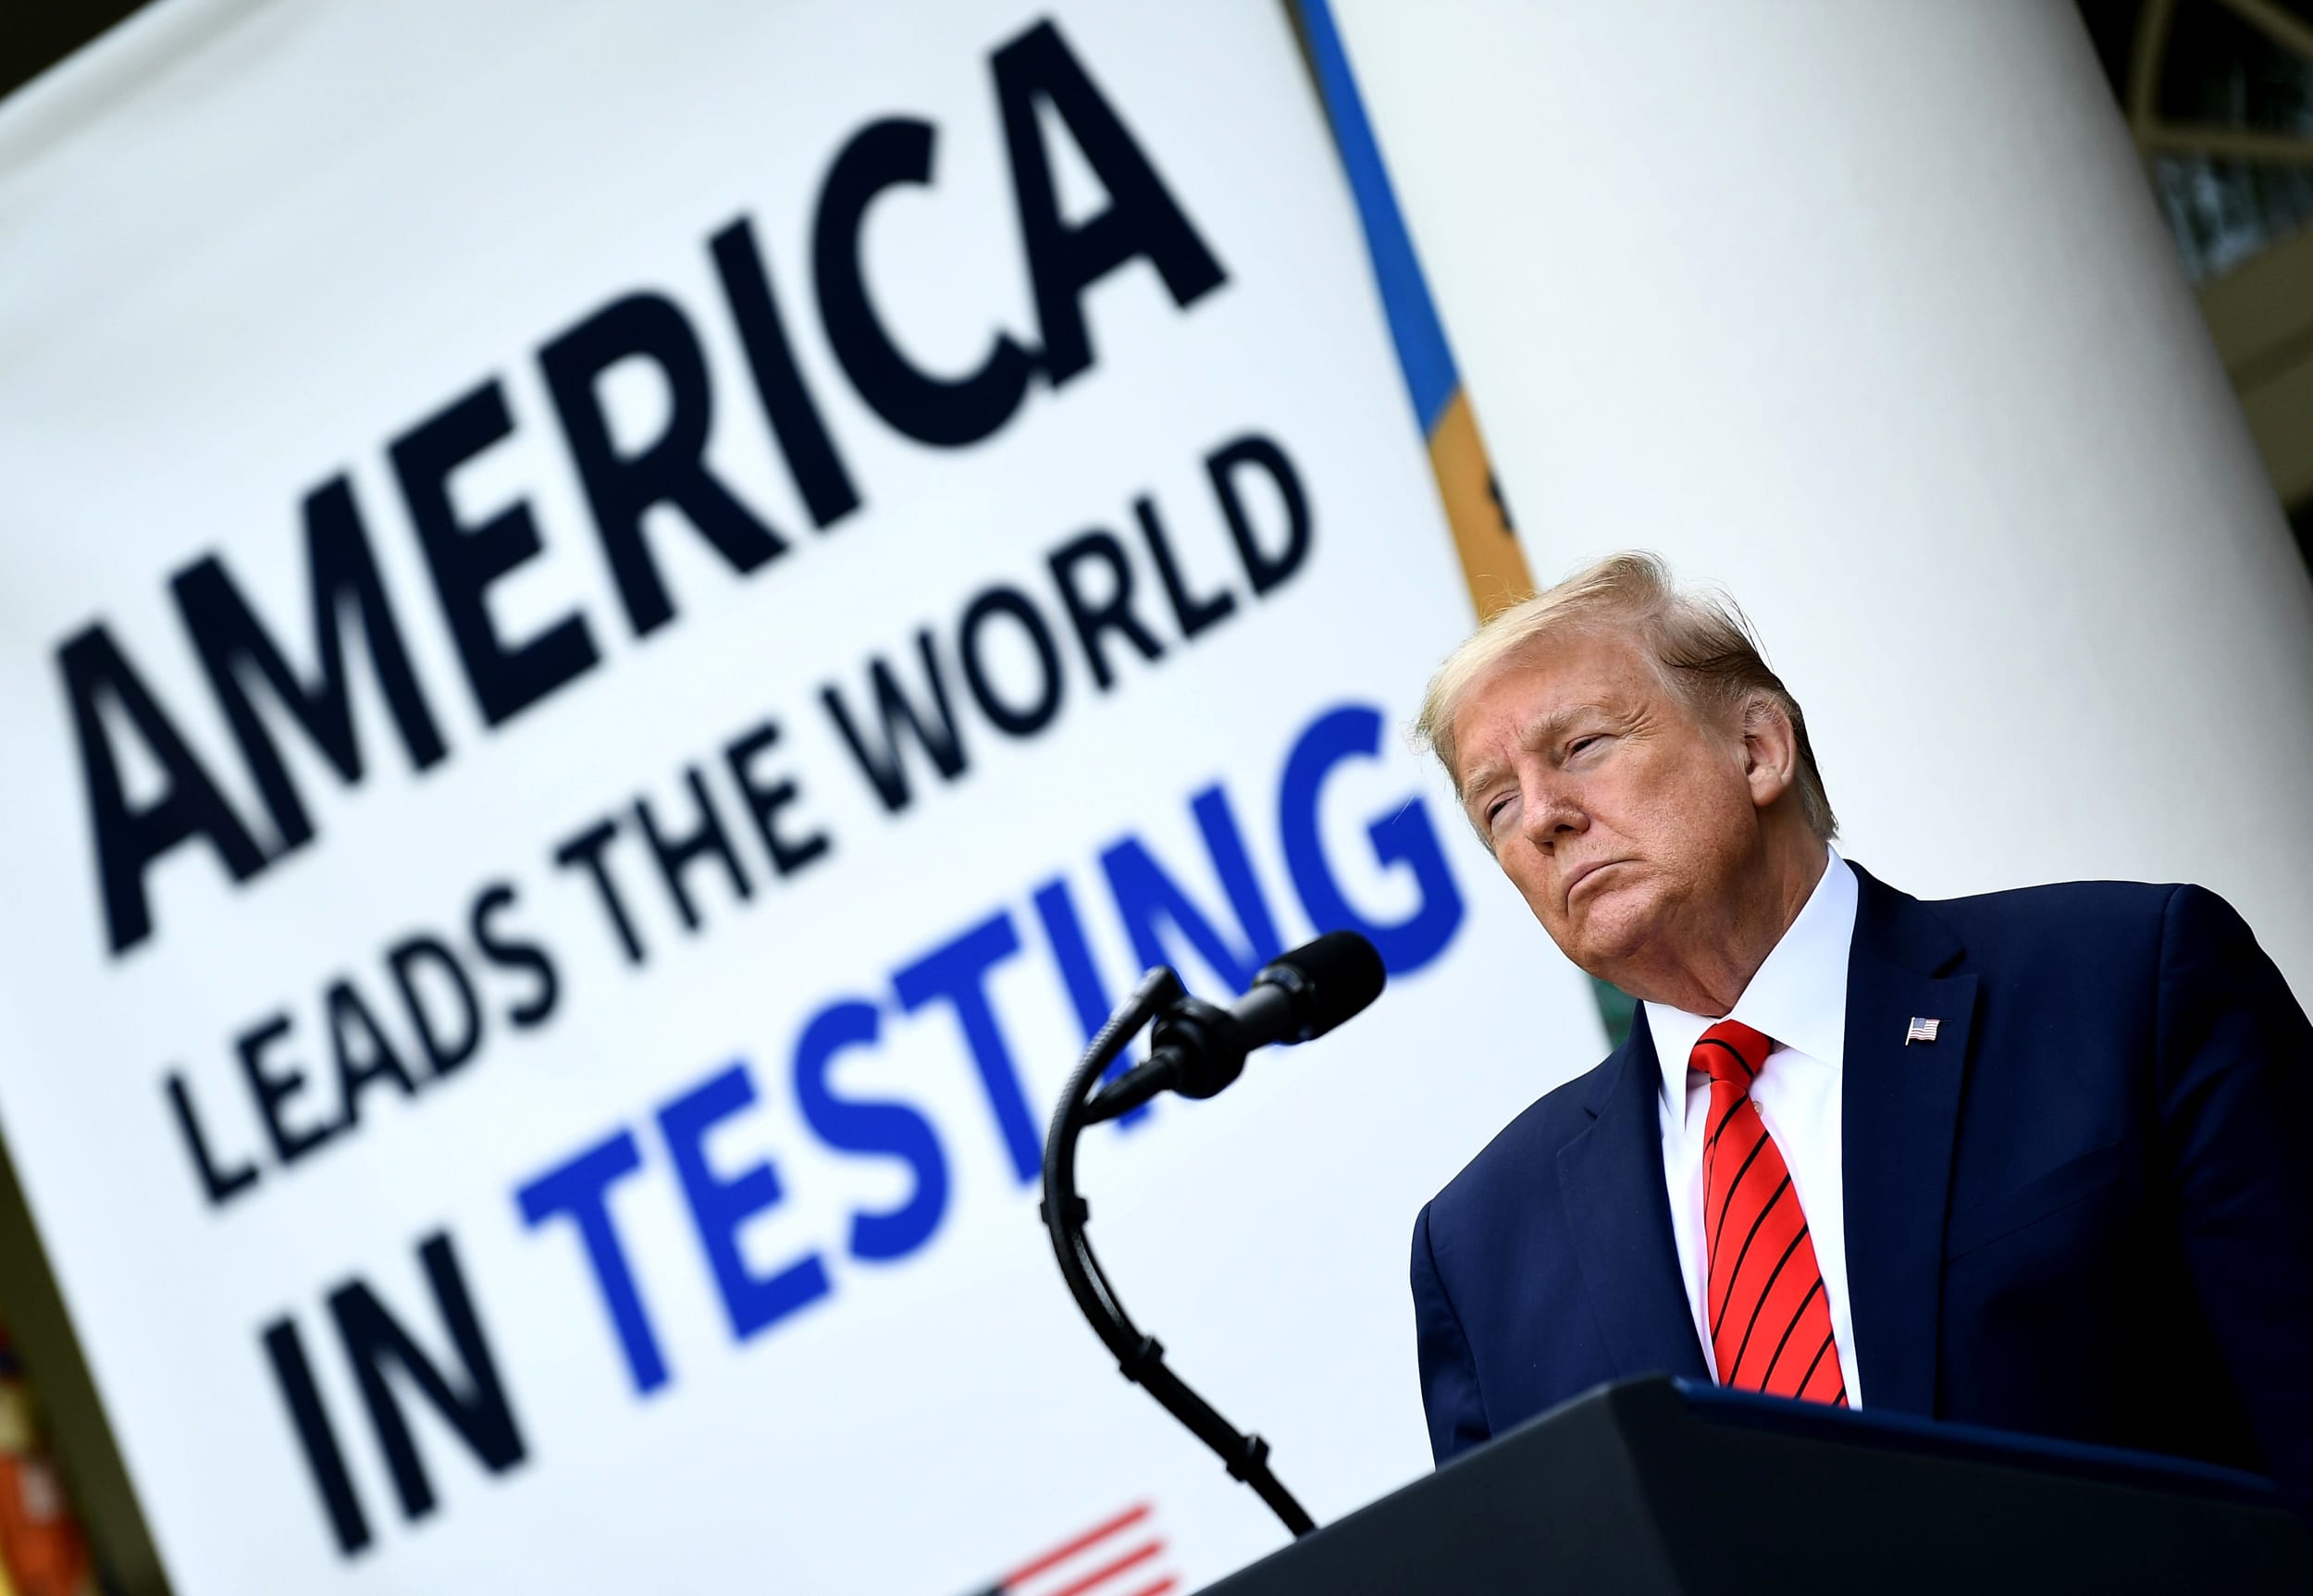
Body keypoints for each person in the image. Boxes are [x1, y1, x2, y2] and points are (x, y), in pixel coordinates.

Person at [1408, 551, 2313, 1501]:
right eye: (1497, 805)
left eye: (1582, 747)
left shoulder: (2124, 986)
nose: (1544, 818)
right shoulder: (1481, 1247)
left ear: (1757, 749)